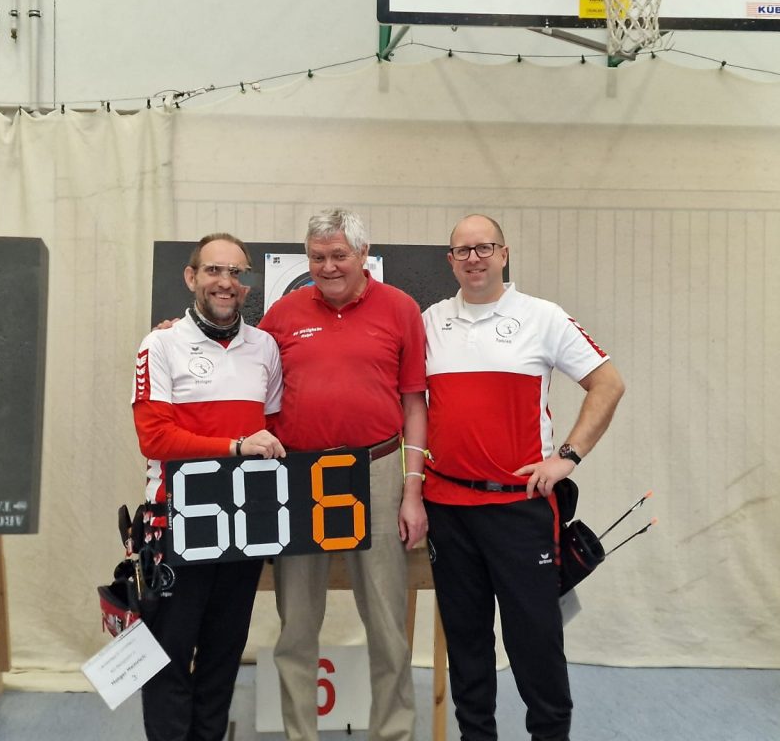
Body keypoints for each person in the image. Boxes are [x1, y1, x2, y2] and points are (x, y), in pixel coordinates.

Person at [422, 214, 625, 741]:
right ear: (450, 260)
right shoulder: (429, 322)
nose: (474, 258)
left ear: (504, 254)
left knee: (535, 641)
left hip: (519, 509)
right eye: (463, 250)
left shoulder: (543, 317)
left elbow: (607, 383)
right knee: (466, 643)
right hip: (447, 510)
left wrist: (567, 457)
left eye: (484, 247)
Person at [258, 207, 428, 741]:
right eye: (317, 257)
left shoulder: (401, 309)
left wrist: (413, 490)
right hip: (299, 478)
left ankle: (394, 732)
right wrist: (178, 334)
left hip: (377, 472)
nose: (328, 267)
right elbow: (241, 371)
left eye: (339, 255)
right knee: (297, 624)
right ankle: (299, 734)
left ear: (363, 254)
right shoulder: (282, 314)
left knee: (387, 623)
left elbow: (415, 403)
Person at [131, 232, 286, 741]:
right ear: (191, 277)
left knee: (223, 658)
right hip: (176, 523)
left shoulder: (264, 347)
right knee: (169, 659)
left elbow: (274, 431)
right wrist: (235, 447)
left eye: (236, 273)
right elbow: (155, 438)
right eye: (214, 270)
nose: (226, 282)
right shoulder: (160, 344)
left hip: (243, 526)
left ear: (247, 284)